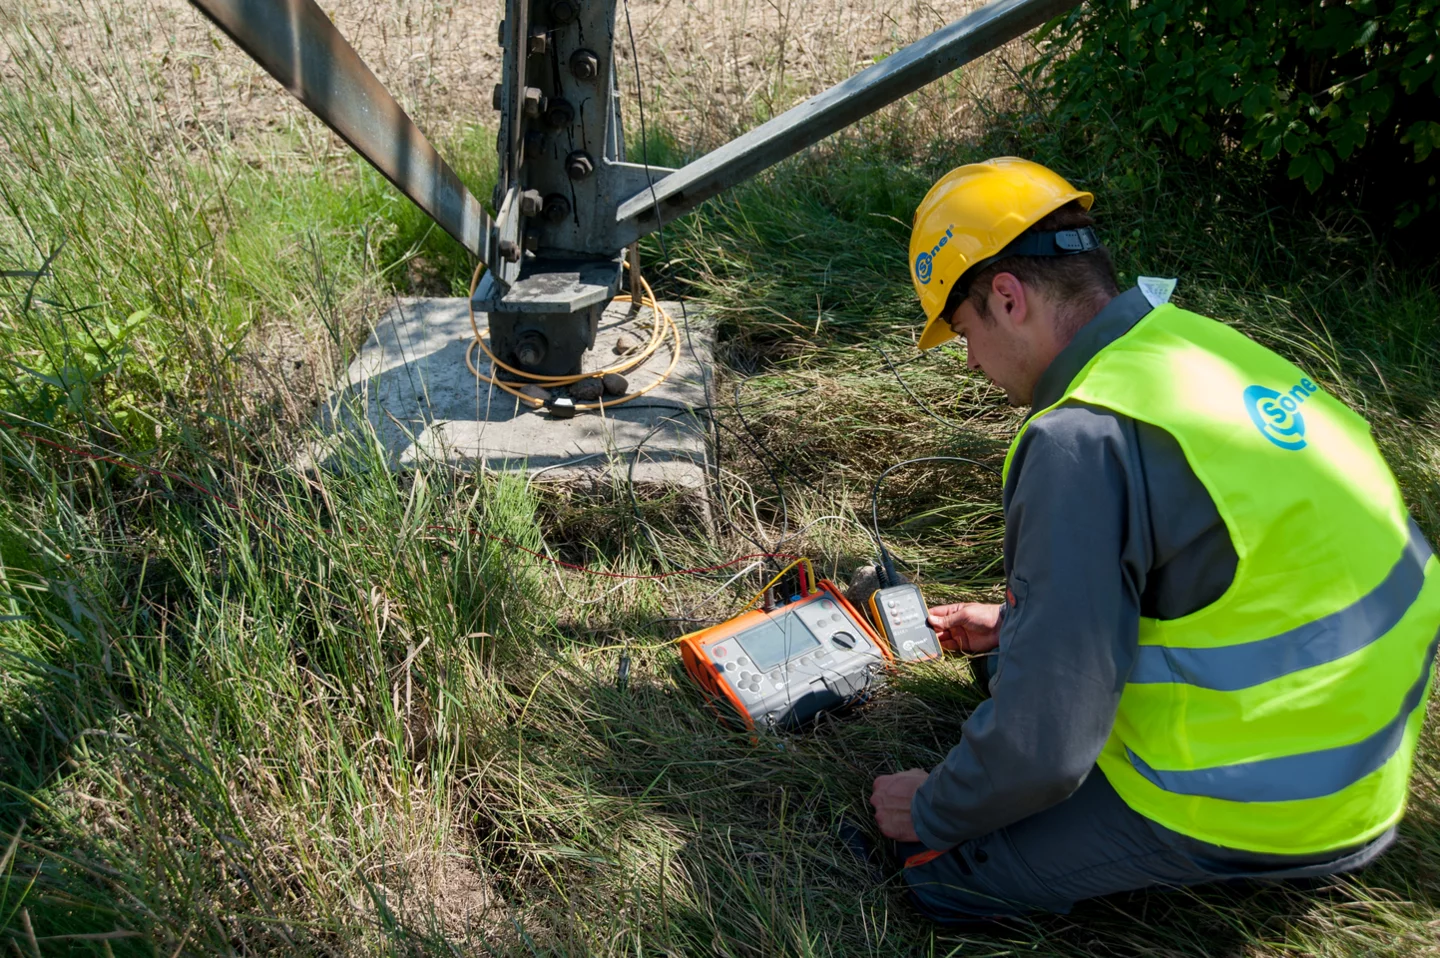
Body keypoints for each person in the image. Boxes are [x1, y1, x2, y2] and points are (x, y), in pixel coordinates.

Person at [867, 157, 1440, 922]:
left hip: (1275, 804)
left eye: (963, 330)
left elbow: (1046, 746)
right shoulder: (1192, 347)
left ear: (1006, 298)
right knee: (1013, 659)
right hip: (1366, 763)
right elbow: (1249, 576)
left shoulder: (1080, 438)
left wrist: (933, 809)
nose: (970, 360)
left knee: (939, 874)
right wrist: (1020, 629)